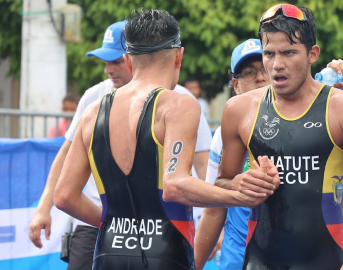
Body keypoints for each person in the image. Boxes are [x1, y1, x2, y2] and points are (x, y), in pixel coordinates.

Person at [53, 9, 278, 269]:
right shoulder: (177, 105)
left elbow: (64, 197)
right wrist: (240, 197)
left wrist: (111, 224)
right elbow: (175, 185)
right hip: (165, 253)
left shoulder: (93, 112)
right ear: (178, 56)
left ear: (128, 60)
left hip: (107, 252)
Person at [28, 19, 212, 270]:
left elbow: (202, 163)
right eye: (104, 61)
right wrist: (43, 207)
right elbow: (65, 156)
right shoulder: (96, 97)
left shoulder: (176, 102)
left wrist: (214, 218)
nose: (107, 70)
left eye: (114, 61)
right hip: (114, 226)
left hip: (114, 235)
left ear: (130, 59)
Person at [213, 4, 343, 269]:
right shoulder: (239, 110)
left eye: (289, 52)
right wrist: (239, 184)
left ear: (312, 54)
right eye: (269, 54)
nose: (276, 65)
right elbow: (221, 183)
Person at [195, 38, 343, 270]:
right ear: (236, 85)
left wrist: (340, 100)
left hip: (306, 257)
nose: (261, 76)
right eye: (248, 72)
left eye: (264, 66)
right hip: (239, 258)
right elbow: (213, 209)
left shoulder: (312, 120)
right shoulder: (225, 133)